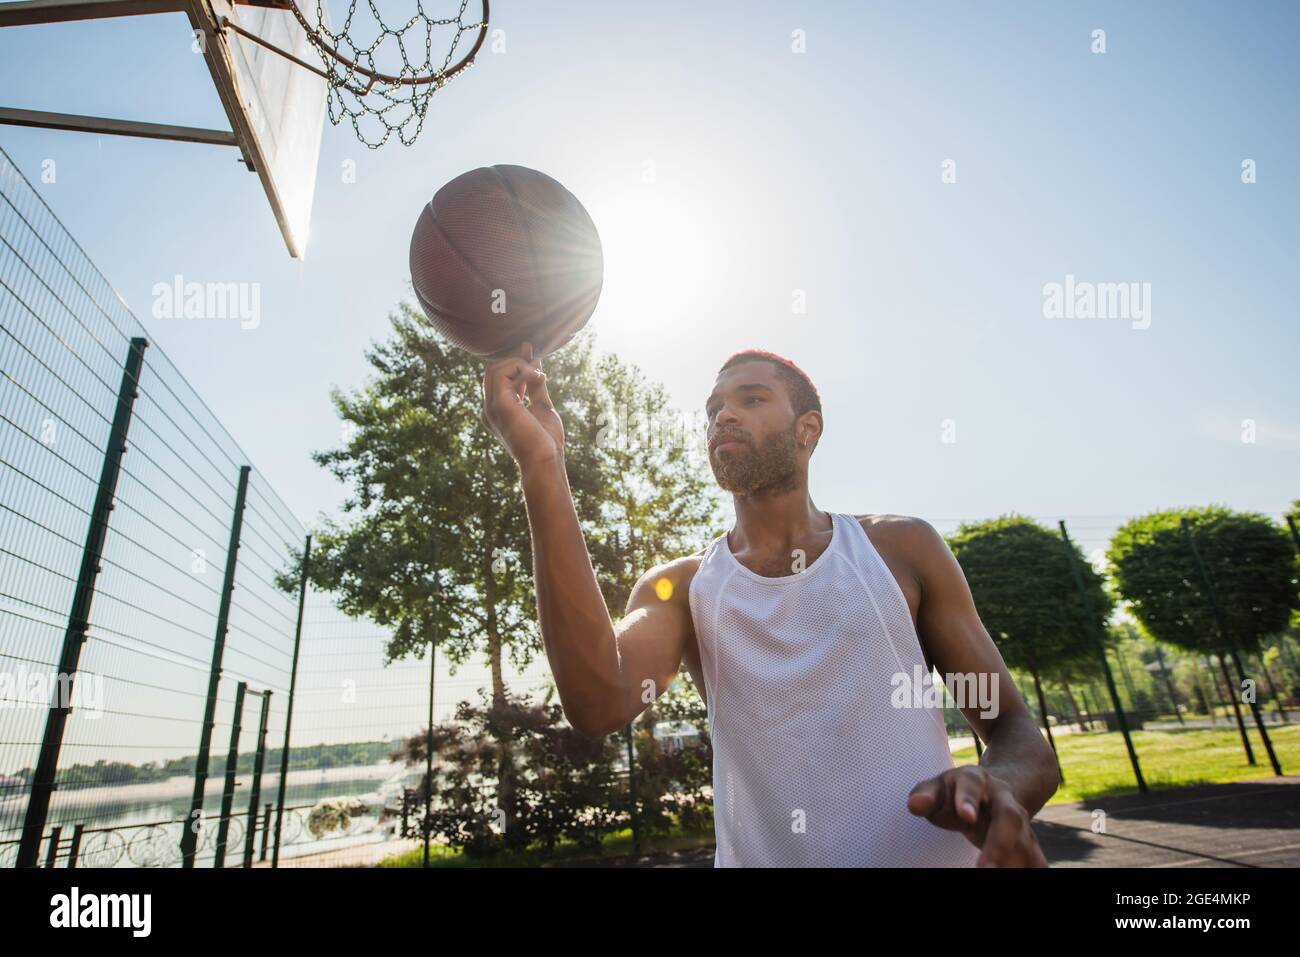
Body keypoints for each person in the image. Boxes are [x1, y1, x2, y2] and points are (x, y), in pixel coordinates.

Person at [482, 342, 1057, 867]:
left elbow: (1021, 740)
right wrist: (542, 465)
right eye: (713, 408)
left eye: (750, 399)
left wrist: (998, 783)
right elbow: (597, 701)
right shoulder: (681, 590)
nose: (722, 416)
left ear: (808, 430)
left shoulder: (901, 549)